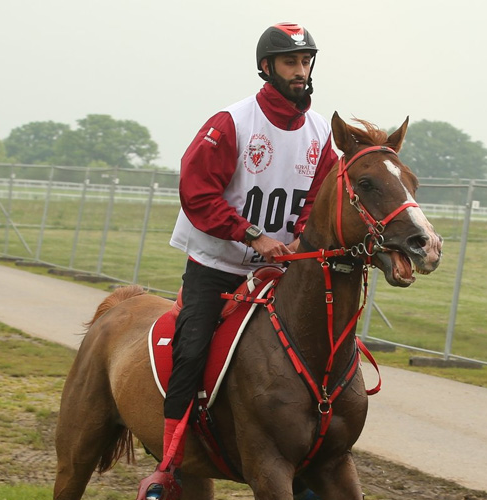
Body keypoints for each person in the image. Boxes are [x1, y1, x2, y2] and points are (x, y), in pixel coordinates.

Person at [139, 23, 338, 499]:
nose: (300, 70)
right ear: (267, 67)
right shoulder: (231, 122)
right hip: (217, 263)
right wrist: (253, 235)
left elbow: (315, 198)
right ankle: (168, 466)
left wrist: (298, 238)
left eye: (306, 61)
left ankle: (313, 456)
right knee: (191, 350)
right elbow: (197, 192)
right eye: (290, 62)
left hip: (279, 270)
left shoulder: (320, 134)